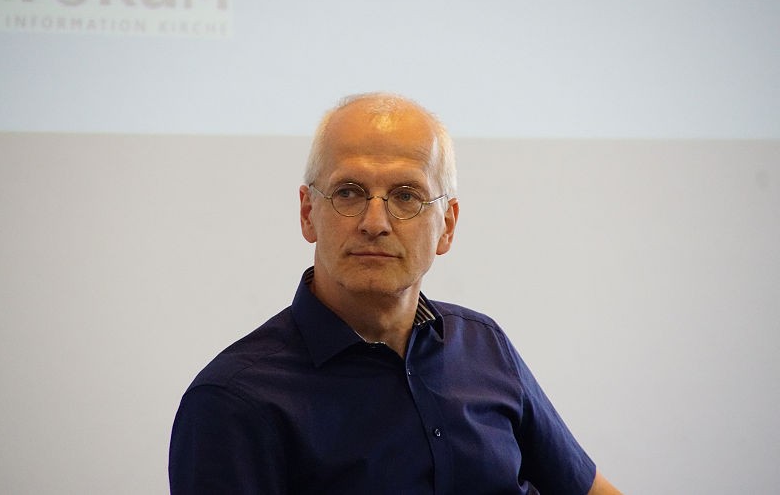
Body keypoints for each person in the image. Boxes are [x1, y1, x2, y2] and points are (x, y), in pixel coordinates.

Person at [169, 93, 622, 494]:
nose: (375, 223)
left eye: (407, 196)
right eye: (349, 192)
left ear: (447, 226)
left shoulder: (484, 345)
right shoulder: (232, 400)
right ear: (308, 213)